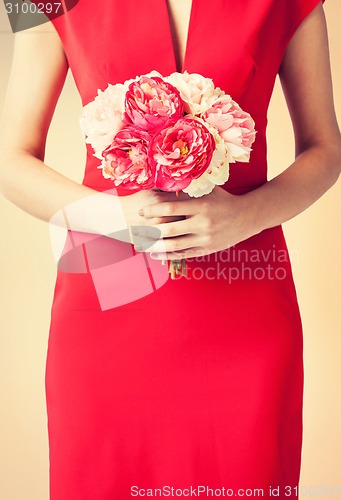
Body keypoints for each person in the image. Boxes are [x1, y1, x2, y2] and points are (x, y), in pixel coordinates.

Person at [0, 0, 340, 498]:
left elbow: (326, 148)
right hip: (107, 299)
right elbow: (10, 158)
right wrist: (114, 217)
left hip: (245, 305)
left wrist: (248, 215)